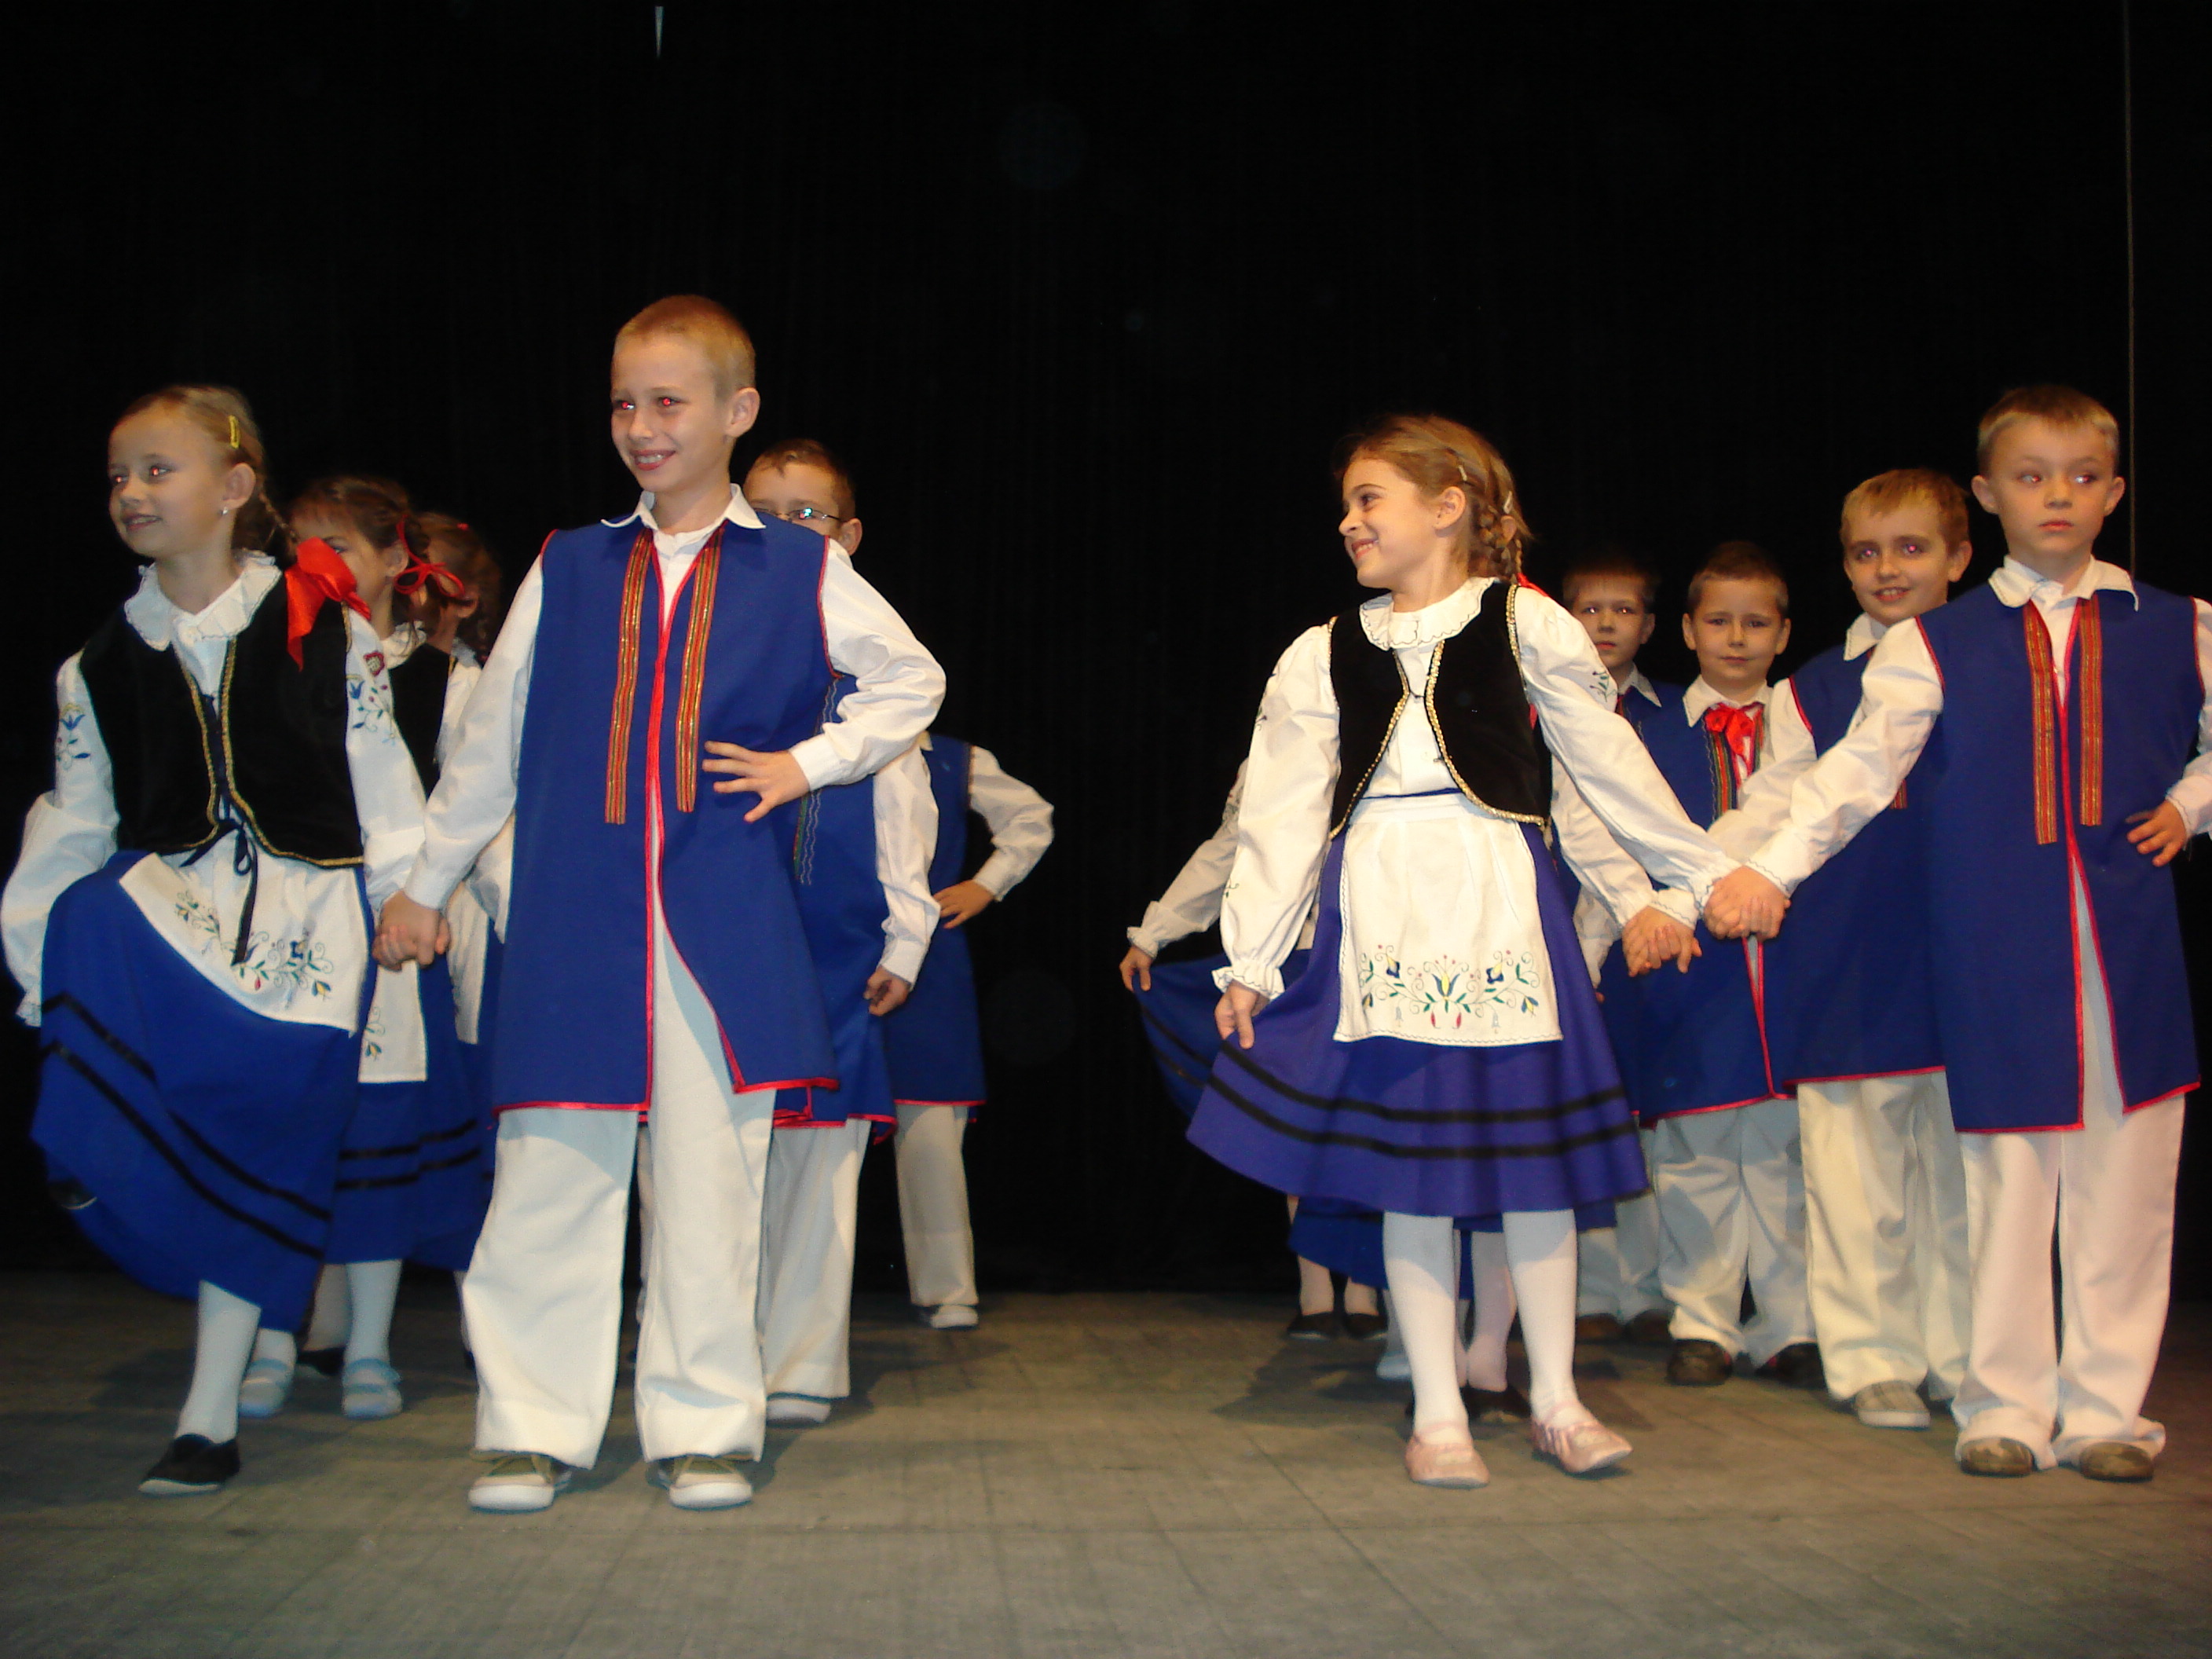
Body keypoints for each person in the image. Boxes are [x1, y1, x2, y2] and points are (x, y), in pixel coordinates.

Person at [374, 297, 943, 1514]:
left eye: (669, 401)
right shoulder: (571, 563)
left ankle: (704, 1426)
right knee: (550, 1169)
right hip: (579, 922)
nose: (641, 425)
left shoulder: (800, 567)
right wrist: (428, 883)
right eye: (625, 401)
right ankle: (532, 1425)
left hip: (720, 925)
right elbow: (493, 740)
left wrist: (810, 763)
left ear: (737, 413)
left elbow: (912, 681)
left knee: (709, 1182)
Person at [1188, 413, 1738, 1488]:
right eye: (1347, 504)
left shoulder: (1527, 625)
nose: (1349, 522)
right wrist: (1252, 959)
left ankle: (1558, 1401)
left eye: (1367, 500)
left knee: (1535, 1172)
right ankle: (1438, 1410)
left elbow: (1605, 762)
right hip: (1384, 900)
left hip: (1500, 897)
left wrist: (1704, 872)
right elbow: (1285, 816)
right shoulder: (1320, 653)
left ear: (1445, 508)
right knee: (1415, 1173)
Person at [1708, 386, 2211, 1482]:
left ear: (2115, 490)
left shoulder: (2178, 623)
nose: (2060, 496)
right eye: (2033, 475)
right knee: (2004, 1186)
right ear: (1990, 494)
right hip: (1999, 949)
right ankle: (2005, 1404)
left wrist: (2195, 801)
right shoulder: (1934, 643)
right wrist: (1760, 871)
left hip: (2127, 953)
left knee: (2128, 1191)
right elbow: (1849, 778)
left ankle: (2106, 1410)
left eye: (2083, 475)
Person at [2, 387, 424, 1495]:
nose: (132, 493)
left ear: (236, 489)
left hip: (307, 922)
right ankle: (91, 1132)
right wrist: (39, 974)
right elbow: (74, 821)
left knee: (262, 1146)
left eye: (158, 470)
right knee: (86, 907)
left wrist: (405, 898)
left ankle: (207, 1414)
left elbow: (385, 789)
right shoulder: (96, 665)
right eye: (119, 475)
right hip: (179, 913)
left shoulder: (323, 625)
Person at [1711, 471, 1973, 1430]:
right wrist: (1677, 890)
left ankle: (1963, 1355)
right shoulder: (1808, 689)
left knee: (1959, 1175)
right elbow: (1768, 810)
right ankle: (1869, 1357)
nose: (1886, 569)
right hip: (1845, 956)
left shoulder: (1985, 663)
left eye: (1909, 549)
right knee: (1853, 1175)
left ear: (1957, 557)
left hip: (1962, 955)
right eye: (1865, 553)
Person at [233, 478, 492, 1425]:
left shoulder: (445, 681)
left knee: (381, 1131)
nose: (316, 562)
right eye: (299, 543)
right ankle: (272, 1338)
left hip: (392, 926)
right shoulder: (269, 657)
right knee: (285, 1131)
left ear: (394, 560)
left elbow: (459, 813)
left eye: (337, 544)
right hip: (288, 927)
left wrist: (432, 908)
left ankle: (372, 1348)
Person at [740, 440, 939, 1423]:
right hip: (730, 942)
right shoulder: (719, 647)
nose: (782, 532)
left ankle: (803, 1363)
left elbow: (904, 816)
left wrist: (905, 944)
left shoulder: (870, 664)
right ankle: (716, 1349)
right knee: (717, 1153)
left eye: (806, 516)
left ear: (847, 539)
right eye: (762, 510)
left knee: (820, 1162)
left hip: (833, 950)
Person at [1597, 543, 1818, 1392]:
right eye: (1718, 621)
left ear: (1783, 632)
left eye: (1755, 622)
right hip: (1687, 967)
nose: (1736, 638)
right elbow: (1610, 848)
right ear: (1685, 631)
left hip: (1787, 968)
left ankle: (1789, 1322)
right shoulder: (1639, 738)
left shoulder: (1805, 727)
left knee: (1782, 1156)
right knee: (1692, 1152)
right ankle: (1701, 1319)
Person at [1120, 765, 1388, 1339]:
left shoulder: (1390, 727)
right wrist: (1154, 932)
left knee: (1363, 1129)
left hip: (1375, 957)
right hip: (1292, 961)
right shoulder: (1270, 753)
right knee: (1296, 1127)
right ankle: (1315, 1289)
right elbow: (1231, 850)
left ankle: (1365, 1288)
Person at [1558, 544, 1679, 1346]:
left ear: (1648, 624)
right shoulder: (1541, 706)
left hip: (1657, 928)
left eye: (1622, 609)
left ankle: (1653, 1288)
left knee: (1656, 1109)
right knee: (1587, 1110)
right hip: (1565, 931)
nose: (1604, 623)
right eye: (1588, 609)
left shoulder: (1673, 717)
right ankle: (1590, 1290)